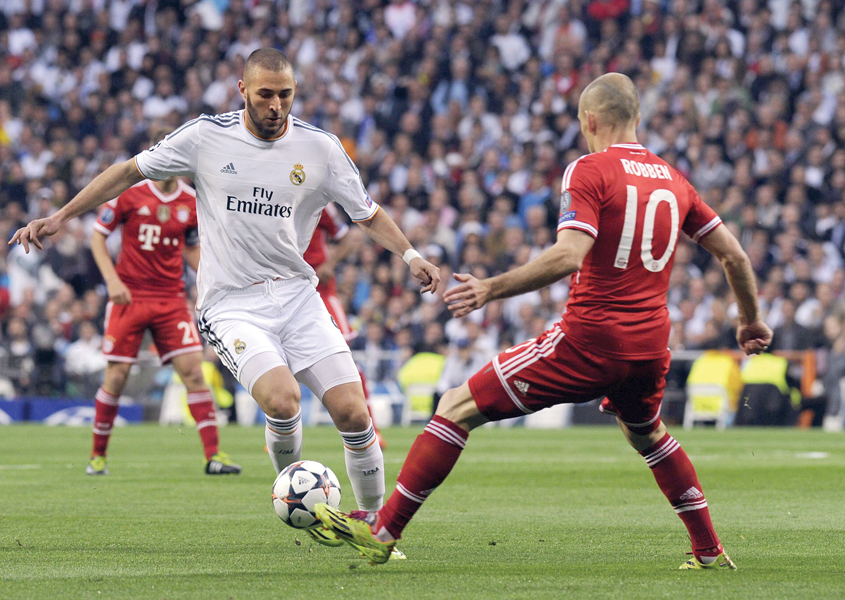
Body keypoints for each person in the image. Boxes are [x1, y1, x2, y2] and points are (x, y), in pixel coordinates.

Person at [315, 73, 773, 569]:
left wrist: (491, 287)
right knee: (647, 435)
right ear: (637, 118)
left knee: (456, 405)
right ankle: (709, 550)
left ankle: (383, 529)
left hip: (590, 339)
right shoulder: (674, 179)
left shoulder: (589, 170)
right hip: (650, 345)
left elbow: (568, 256)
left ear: (589, 120)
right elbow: (736, 257)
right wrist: (749, 320)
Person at [10, 49, 441, 551]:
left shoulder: (320, 149)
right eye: (265, 94)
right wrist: (61, 216)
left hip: (298, 297)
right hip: (230, 302)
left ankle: (375, 526)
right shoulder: (205, 137)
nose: (276, 105)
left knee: (354, 413)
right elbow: (128, 171)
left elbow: (365, 213)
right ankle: (303, 504)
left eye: (285, 95)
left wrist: (411, 255)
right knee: (282, 400)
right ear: (243, 90)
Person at [86, 129, 241, 476]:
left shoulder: (190, 200)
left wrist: (205, 284)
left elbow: (190, 247)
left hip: (170, 299)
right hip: (130, 296)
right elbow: (98, 237)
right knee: (117, 376)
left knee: (194, 372)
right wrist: (111, 281)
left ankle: (214, 456)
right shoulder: (130, 193)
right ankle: (98, 457)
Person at [303, 203, 387, 448]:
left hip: (322, 292)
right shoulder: (273, 199)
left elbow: (348, 237)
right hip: (287, 293)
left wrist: (329, 264)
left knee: (349, 359)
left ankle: (372, 428)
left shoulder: (319, 202)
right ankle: (282, 432)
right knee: (281, 361)